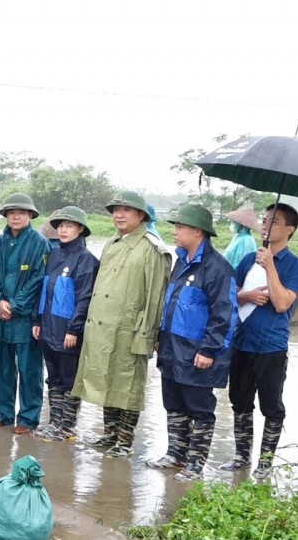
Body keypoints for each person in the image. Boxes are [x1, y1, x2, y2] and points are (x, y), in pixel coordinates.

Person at [72, 190, 171, 457]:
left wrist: (148, 334)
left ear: (141, 216)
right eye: (115, 210)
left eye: (126, 210)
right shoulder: (112, 244)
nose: (119, 214)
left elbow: (155, 297)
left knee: (128, 385)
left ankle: (125, 441)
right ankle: (110, 434)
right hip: (103, 328)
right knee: (107, 381)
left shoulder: (151, 248)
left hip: (130, 329)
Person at [145, 205, 238, 481]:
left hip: (198, 352)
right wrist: (161, 338)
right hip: (172, 347)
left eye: (180, 227)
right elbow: (171, 304)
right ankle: (175, 454)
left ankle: (196, 465)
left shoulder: (218, 269)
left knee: (200, 408)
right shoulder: (181, 261)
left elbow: (226, 314)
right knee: (173, 403)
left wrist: (209, 349)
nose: (174, 232)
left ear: (198, 231)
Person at [220, 203, 298, 480]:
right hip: (242, 341)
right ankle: (241, 456)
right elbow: (231, 292)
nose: (267, 225)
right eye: (266, 219)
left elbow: (282, 304)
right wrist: (246, 296)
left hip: (270, 346)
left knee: (271, 406)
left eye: (276, 221)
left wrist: (270, 266)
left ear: (290, 230)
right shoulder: (248, 259)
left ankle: (266, 462)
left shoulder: (296, 266)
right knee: (239, 401)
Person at [33, 206, 99, 442]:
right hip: (48, 327)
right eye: (60, 226)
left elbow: (85, 298)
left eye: (69, 226)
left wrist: (74, 329)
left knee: (70, 379)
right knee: (54, 378)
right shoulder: (53, 255)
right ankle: (54, 422)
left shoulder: (87, 260)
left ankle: (67, 426)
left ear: (80, 229)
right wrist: (38, 320)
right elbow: (45, 291)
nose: (63, 230)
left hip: (68, 331)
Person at [0, 193, 50, 434]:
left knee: (30, 369)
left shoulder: (39, 243)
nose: (16, 216)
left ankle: (27, 417)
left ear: (31, 215)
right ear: (5, 216)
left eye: (22, 212)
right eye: (12, 212)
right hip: (1, 317)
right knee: (1, 367)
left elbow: (38, 279)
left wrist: (15, 304)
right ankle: (2, 413)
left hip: (25, 318)